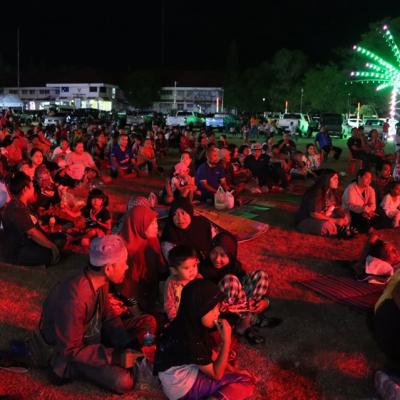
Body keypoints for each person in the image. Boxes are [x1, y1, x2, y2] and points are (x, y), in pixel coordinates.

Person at [40, 235, 154, 394]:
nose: (127, 267)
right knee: (123, 381)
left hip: (94, 334)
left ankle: (134, 357)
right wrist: (115, 356)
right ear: (108, 268)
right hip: (69, 356)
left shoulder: (100, 280)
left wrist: (126, 342)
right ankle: (85, 369)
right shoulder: (74, 298)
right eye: (124, 263)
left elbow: (107, 314)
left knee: (148, 321)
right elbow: (70, 350)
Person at [154, 279, 255, 400]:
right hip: (183, 390)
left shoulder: (186, 323)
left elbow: (208, 352)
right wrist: (226, 342)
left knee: (224, 360)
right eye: (212, 309)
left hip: (175, 379)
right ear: (199, 310)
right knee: (247, 381)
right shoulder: (191, 340)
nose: (217, 313)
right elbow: (216, 375)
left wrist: (234, 370)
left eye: (217, 307)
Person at [200, 232, 272, 345]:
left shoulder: (234, 265)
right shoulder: (204, 268)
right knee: (230, 280)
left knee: (260, 276)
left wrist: (265, 302)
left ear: (231, 254)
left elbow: (244, 284)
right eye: (213, 252)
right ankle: (245, 323)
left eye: (223, 255)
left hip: (238, 305)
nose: (217, 259)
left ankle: (248, 317)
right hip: (219, 309)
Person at [2, 172, 65, 266]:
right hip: (19, 249)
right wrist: (52, 246)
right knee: (50, 254)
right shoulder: (16, 208)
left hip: (29, 242)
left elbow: (35, 226)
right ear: (25, 189)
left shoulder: (23, 204)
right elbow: (32, 232)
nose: (33, 189)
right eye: (31, 186)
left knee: (61, 238)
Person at [117, 205, 166, 313]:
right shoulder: (126, 252)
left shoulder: (152, 240)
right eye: (152, 223)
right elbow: (127, 291)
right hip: (133, 298)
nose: (157, 226)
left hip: (150, 290)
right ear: (138, 225)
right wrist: (136, 312)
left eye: (156, 222)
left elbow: (161, 267)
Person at [295, 170, 352, 237]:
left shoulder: (331, 192)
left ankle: (341, 230)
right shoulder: (316, 192)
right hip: (307, 219)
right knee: (327, 226)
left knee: (346, 216)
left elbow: (335, 207)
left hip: (324, 217)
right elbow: (314, 214)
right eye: (334, 179)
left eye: (337, 179)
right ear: (327, 180)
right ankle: (338, 231)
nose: (337, 181)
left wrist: (343, 216)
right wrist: (335, 221)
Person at [164, 245, 203, 321]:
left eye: (194, 265)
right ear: (174, 270)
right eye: (186, 268)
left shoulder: (199, 279)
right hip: (179, 318)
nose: (192, 271)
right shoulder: (171, 282)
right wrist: (175, 320)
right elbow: (169, 304)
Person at [342, 169, 379, 233]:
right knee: (360, 217)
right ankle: (368, 229)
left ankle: (367, 227)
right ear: (359, 177)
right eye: (367, 177)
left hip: (366, 213)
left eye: (370, 178)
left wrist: (369, 212)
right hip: (352, 212)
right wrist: (364, 210)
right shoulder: (351, 189)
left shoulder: (370, 190)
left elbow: (373, 204)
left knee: (379, 216)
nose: (369, 180)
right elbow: (351, 206)